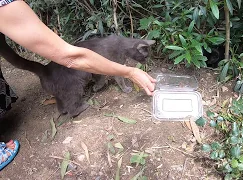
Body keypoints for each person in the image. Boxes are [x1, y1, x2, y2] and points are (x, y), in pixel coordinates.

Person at [0, 0, 156, 171]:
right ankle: (74, 108)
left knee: (65, 82)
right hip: (57, 79)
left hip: (50, 78)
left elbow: (96, 67)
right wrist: (130, 72)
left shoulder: (111, 44)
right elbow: (74, 59)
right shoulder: (5, 5)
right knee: (72, 85)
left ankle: (62, 106)